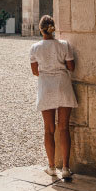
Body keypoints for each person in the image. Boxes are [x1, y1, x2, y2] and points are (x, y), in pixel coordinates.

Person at [30, 15, 77, 178]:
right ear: (53, 28)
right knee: (64, 127)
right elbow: (71, 67)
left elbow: (35, 71)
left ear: (40, 29)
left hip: (46, 87)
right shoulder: (64, 45)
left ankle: (51, 167)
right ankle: (65, 168)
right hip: (63, 86)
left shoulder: (35, 48)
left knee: (49, 129)